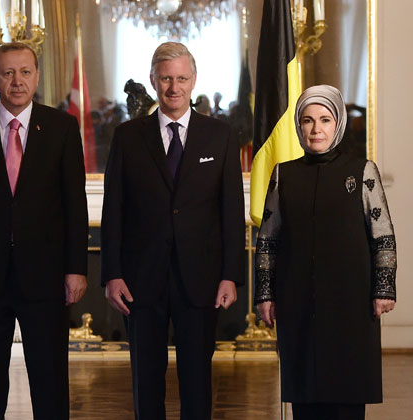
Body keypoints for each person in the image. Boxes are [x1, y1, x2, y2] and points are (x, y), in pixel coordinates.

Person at [0, 42, 88, 420]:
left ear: (37, 76)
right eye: (7, 73)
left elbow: (75, 204)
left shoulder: (62, 127)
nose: (17, 81)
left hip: (45, 276)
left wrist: (77, 269)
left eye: (25, 72)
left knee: (50, 377)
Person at [101, 42, 245, 420]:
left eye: (182, 78)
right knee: (145, 380)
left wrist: (231, 275)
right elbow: (113, 210)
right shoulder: (128, 136)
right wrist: (111, 274)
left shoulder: (220, 136)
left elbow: (231, 211)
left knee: (197, 380)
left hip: (201, 279)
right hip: (139, 279)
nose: (174, 87)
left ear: (194, 80)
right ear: (153, 80)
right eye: (166, 78)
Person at [255, 85, 397, 420]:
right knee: (305, 393)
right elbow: (268, 241)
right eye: (307, 120)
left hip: (352, 301)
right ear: (298, 126)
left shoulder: (363, 172)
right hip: (298, 300)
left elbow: (383, 236)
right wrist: (265, 293)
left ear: (338, 124)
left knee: (347, 392)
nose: (316, 128)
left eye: (324, 119)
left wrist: (384, 288)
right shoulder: (283, 175)